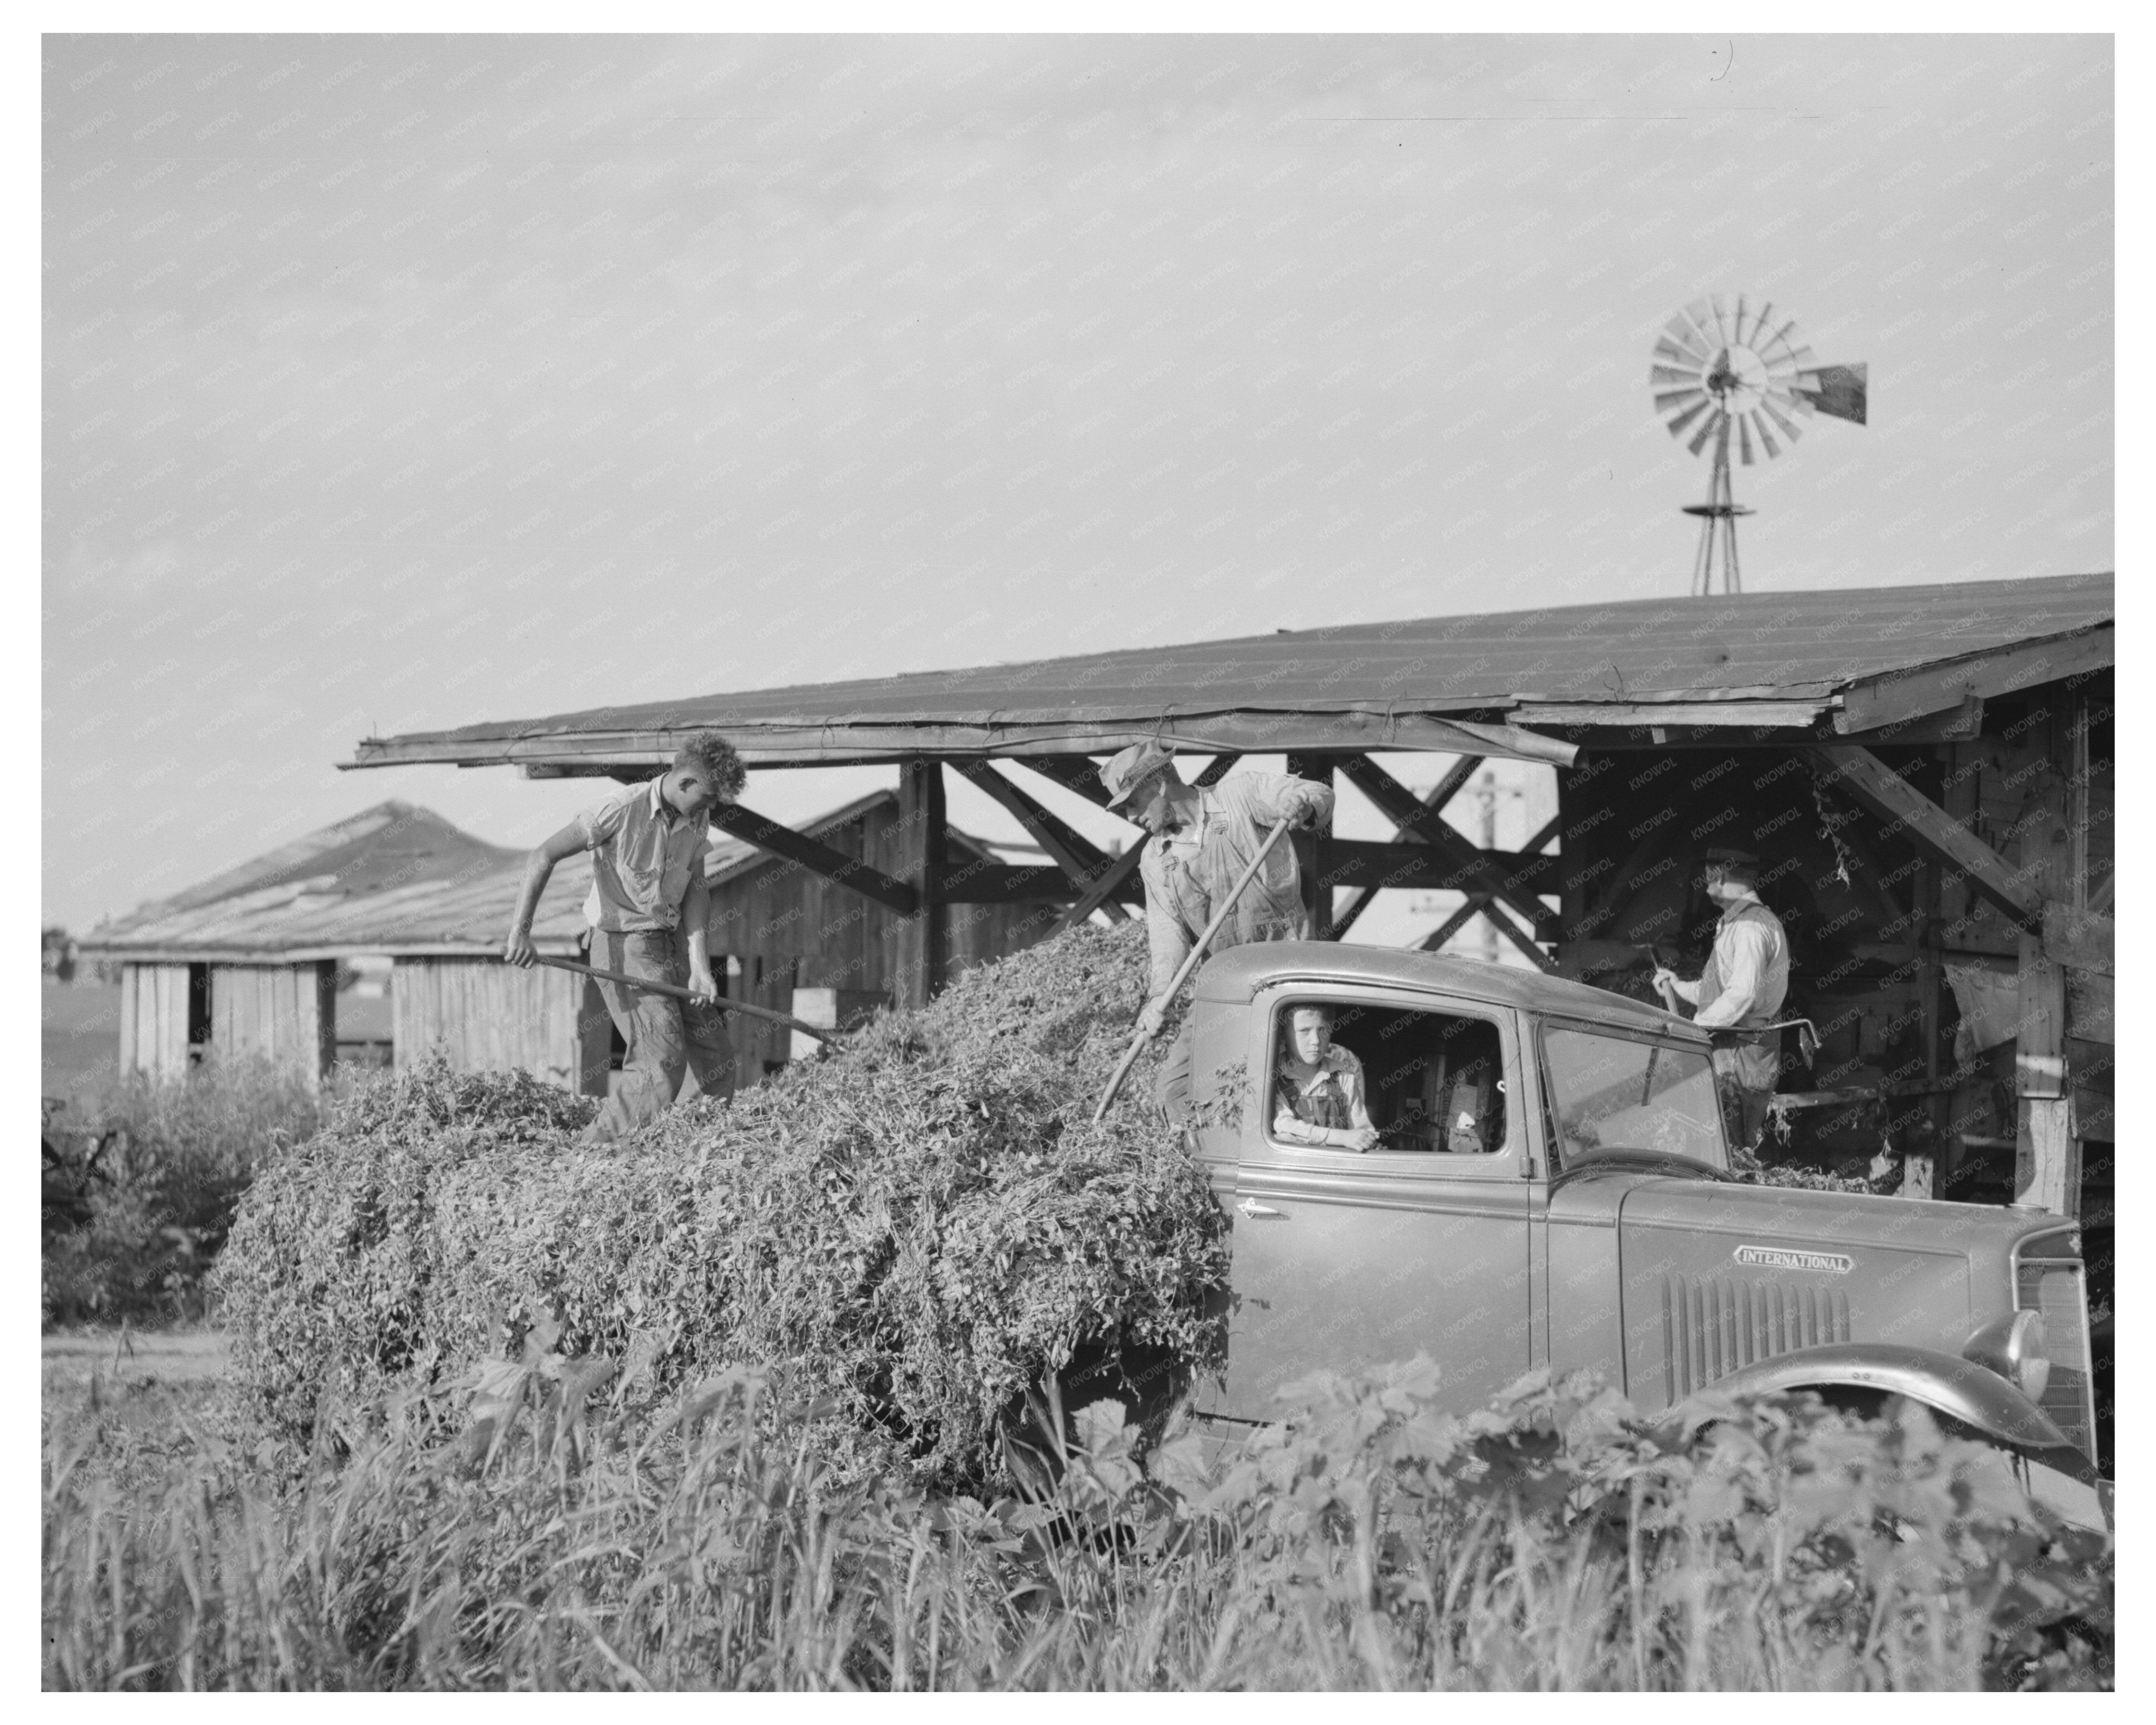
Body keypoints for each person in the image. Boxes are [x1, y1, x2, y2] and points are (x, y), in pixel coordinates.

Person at [504, 731, 746, 1143]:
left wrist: (701, 968)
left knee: (716, 1059)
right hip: (623, 944)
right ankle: (592, 1153)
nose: (710, 809)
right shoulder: (620, 809)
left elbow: (697, 890)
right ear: (685, 781)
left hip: (670, 945)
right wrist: (521, 931)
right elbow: (542, 856)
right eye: (706, 799)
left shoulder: (695, 817)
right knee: (661, 1062)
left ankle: (692, 1148)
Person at [1097, 740, 1334, 1122]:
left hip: (1287, 972)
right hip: (1225, 984)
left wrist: (1303, 804)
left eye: (1131, 803)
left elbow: (1316, 792)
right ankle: (1198, 1172)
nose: (1129, 817)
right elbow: (1167, 935)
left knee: (1283, 1083)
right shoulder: (1156, 860)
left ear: (1158, 785)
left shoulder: (1240, 795)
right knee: (1174, 1089)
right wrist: (1157, 998)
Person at [1653, 847, 1791, 1153]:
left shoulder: (1751, 927)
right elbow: (1722, 990)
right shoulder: (1736, 924)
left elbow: (1743, 994)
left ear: (1721, 876)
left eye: (1708, 878)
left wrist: (1693, 1028)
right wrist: (1679, 987)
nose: (1706, 887)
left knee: (1732, 1152)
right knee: (1717, 1147)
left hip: (1741, 1054)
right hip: (1730, 1049)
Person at [1271, 1003, 1381, 1151]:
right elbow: (1285, 1128)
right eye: (1305, 1031)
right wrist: (1342, 1137)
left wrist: (1369, 1143)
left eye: (1323, 1030)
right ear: (1283, 1034)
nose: (1316, 1040)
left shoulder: (1344, 1078)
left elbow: (1361, 1129)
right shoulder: (1275, 1078)